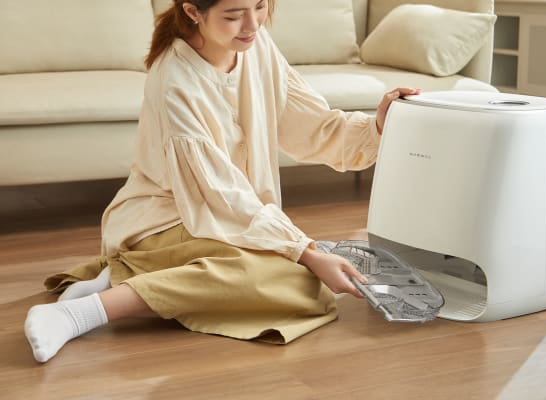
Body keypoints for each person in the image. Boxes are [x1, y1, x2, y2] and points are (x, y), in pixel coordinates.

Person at [24, 0, 420, 363]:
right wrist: (307, 252)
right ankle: (82, 313)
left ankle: (122, 279)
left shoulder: (256, 45)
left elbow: (312, 126)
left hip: (230, 215)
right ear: (193, 11)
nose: (251, 25)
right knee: (295, 278)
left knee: (297, 279)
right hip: (166, 217)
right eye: (233, 15)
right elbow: (218, 195)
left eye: (260, 6)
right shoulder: (174, 80)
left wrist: (378, 124)